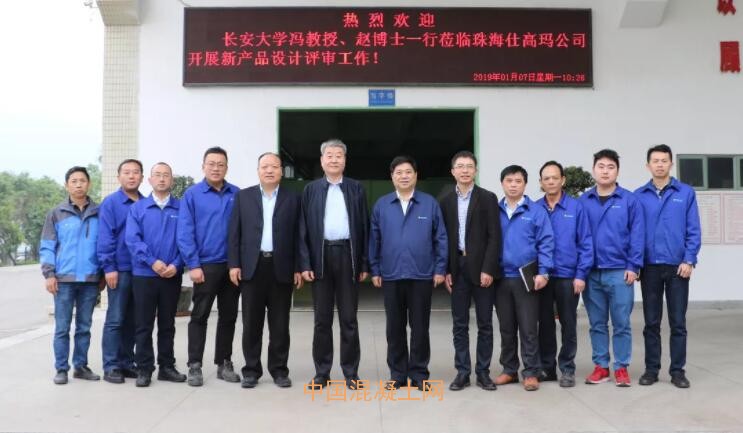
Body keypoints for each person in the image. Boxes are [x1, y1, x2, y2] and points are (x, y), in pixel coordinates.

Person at [369, 155, 447, 390]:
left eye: (408, 172)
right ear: (392, 177)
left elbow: (440, 238)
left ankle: (419, 374)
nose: (404, 176)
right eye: (399, 172)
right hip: (391, 274)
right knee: (394, 328)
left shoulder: (429, 203)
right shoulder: (382, 205)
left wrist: (440, 268)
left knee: (420, 327)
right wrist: (375, 269)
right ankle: (398, 374)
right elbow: (374, 239)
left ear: (416, 175)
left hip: (421, 275)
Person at [228, 152, 303, 389]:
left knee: (280, 325)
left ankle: (279, 370)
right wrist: (234, 264)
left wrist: (299, 267)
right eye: (265, 166)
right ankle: (251, 370)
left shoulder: (293, 198)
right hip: (252, 267)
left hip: (282, 268)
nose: (269, 170)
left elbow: (299, 235)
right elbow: (234, 233)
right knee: (252, 323)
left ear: (281, 171)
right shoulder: (243, 197)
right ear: (258, 170)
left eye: (274, 166)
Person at [299, 139, 369, 389]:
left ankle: (351, 373)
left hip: (348, 255)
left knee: (349, 318)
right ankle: (322, 373)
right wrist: (305, 263)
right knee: (322, 319)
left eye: (339, 155)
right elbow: (303, 229)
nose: (334, 159)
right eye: (329, 155)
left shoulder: (356, 188)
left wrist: (364, 263)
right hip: (320, 257)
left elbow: (364, 227)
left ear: (345, 160)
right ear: (322, 160)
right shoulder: (311, 190)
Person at [634, 144, 701, 388]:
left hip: (677, 267)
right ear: (648, 165)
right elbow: (635, 233)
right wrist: (636, 263)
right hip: (649, 267)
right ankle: (651, 370)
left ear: (671, 164)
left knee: (678, 323)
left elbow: (693, 229)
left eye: (664, 160)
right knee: (651, 323)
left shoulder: (685, 192)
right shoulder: (639, 195)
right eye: (656, 161)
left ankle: (677, 371)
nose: (660, 165)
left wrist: (689, 259)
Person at [580, 149, 644, 387]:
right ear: (593, 170)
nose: (605, 171)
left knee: (621, 323)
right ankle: (601, 367)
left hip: (620, 272)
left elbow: (637, 235)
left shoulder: (629, 200)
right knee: (596, 324)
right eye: (601, 166)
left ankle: (621, 367)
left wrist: (633, 265)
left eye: (610, 167)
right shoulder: (583, 201)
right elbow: (578, 237)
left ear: (617, 171)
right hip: (592, 273)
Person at [177, 146, 241, 386]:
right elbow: (185, 232)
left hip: (232, 267)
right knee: (199, 315)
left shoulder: (237, 194)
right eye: (211, 164)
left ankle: (224, 363)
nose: (216, 168)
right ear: (203, 166)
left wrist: (239, 263)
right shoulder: (192, 195)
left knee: (229, 316)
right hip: (205, 266)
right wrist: (193, 264)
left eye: (220, 164)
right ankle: (194, 365)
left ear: (227, 167)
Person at [438, 151, 501, 391]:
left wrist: (489, 268)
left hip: (482, 268)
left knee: (485, 324)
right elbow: (443, 238)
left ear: (475, 170)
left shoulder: (487, 198)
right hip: (457, 268)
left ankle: (483, 373)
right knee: (459, 324)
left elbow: (494, 237)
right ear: (453, 171)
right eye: (460, 166)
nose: (465, 170)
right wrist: (446, 269)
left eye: (469, 166)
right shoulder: (445, 200)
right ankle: (462, 372)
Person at [125, 162, 187, 387]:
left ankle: (167, 367)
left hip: (171, 275)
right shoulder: (138, 208)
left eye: (166, 175)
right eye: (157, 175)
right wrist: (153, 262)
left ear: (172, 180)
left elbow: (187, 240)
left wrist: (177, 264)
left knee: (167, 324)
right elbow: (133, 240)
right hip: (144, 275)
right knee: (143, 324)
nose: (162, 179)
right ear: (150, 180)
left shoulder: (181, 208)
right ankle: (144, 368)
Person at [40, 166, 104, 385]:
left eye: (82, 181)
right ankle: (61, 369)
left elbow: (104, 245)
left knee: (84, 327)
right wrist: (49, 274)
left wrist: (102, 273)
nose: (78, 185)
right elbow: (47, 246)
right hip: (63, 280)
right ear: (67, 185)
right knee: (62, 328)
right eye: (74, 181)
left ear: (89, 184)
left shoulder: (99, 212)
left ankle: (81, 366)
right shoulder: (56, 213)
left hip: (90, 280)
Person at [494, 165, 554, 391]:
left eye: (518, 181)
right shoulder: (494, 210)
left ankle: (531, 372)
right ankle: (509, 370)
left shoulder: (536, 211)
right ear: (502, 183)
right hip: (501, 278)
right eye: (509, 181)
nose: (513, 185)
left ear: (525, 184)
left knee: (528, 328)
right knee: (506, 328)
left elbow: (546, 242)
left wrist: (544, 271)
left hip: (526, 278)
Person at [535, 161, 594, 388]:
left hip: (568, 276)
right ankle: (547, 368)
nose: (551, 181)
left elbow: (586, 243)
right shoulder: (535, 208)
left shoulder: (576, 208)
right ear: (541, 183)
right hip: (543, 276)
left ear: (563, 180)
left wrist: (581, 275)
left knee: (568, 324)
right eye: (546, 178)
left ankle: (567, 368)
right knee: (545, 324)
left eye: (554, 177)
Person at [98, 158, 144, 384]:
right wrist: (109, 267)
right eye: (127, 172)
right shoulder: (111, 203)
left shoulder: (146, 203)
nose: (131, 176)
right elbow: (105, 237)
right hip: (120, 269)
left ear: (142, 177)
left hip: (142, 271)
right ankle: (111, 365)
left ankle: (126, 362)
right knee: (115, 319)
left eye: (136, 172)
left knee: (133, 320)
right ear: (119, 177)